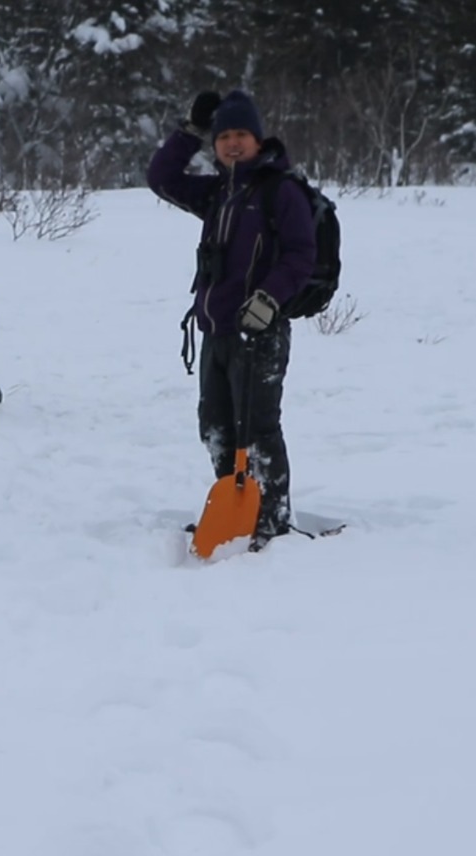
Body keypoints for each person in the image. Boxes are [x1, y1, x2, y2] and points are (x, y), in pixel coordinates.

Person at [146, 89, 316, 549]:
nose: (232, 143)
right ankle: (235, 504)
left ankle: (272, 518)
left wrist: (268, 299)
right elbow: (161, 178)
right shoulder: (219, 192)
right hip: (217, 331)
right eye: (224, 136)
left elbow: (302, 256)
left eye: (242, 134)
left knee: (257, 428)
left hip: (261, 332)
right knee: (216, 425)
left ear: (259, 139)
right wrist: (189, 132)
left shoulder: (282, 191)